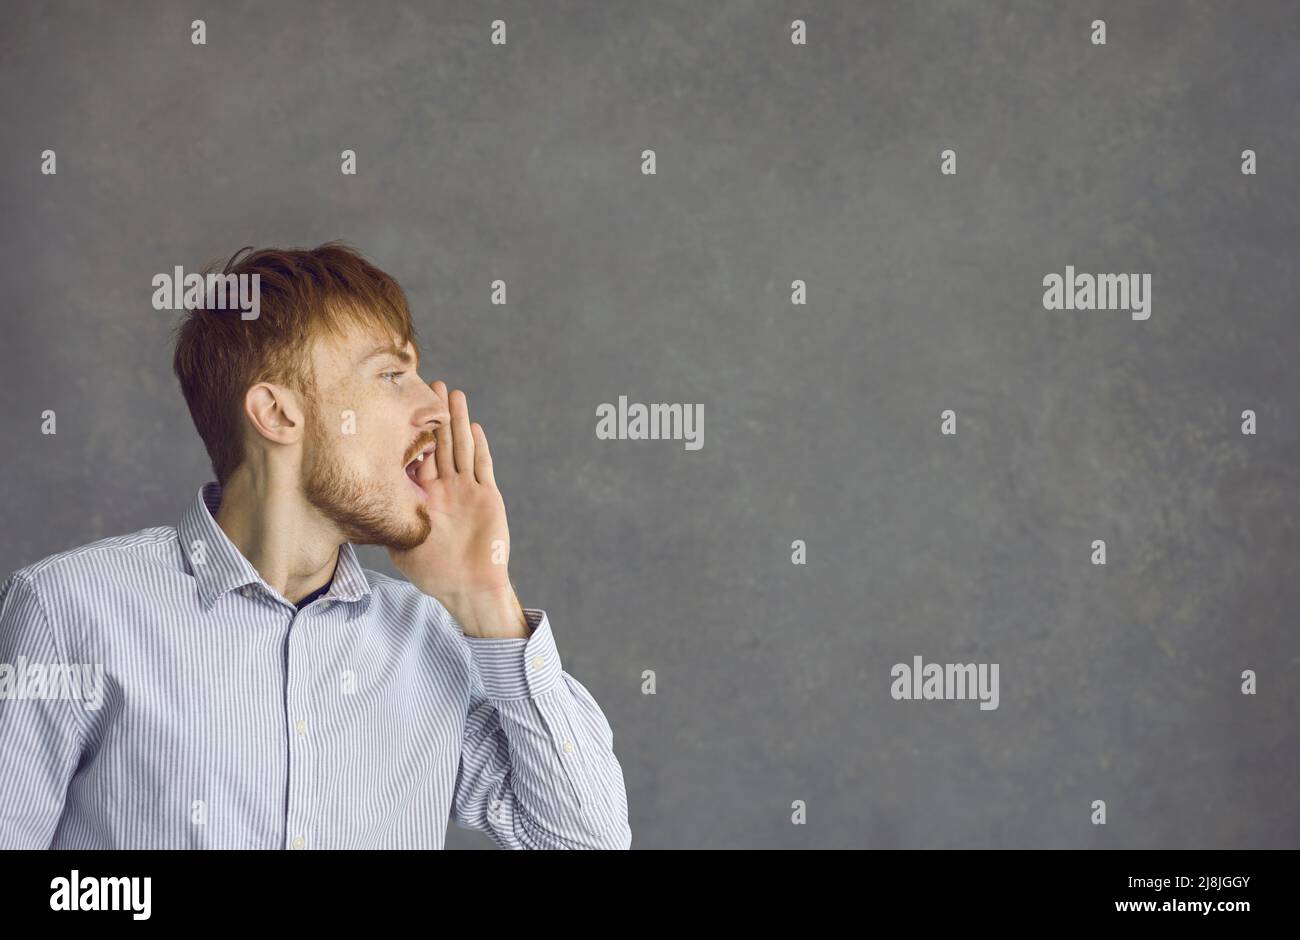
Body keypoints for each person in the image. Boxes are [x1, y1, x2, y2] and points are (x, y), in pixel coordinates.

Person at [0, 243, 631, 850]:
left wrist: (486, 596)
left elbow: (588, 841)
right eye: (391, 375)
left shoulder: (430, 637)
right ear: (276, 414)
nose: (436, 409)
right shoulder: (67, 611)